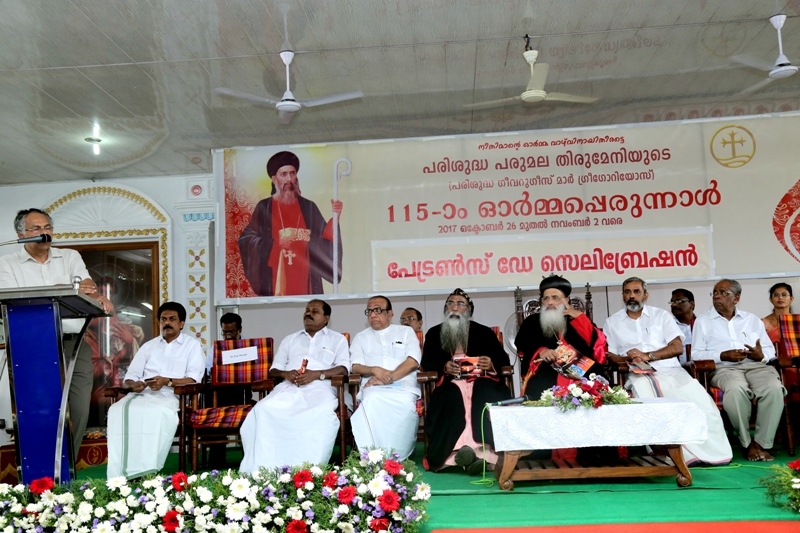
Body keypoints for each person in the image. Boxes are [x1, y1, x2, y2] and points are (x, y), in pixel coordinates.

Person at [0, 208, 114, 461]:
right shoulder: (7, 263)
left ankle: (66, 467)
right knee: (41, 409)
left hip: (74, 343)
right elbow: (12, 301)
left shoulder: (69, 256)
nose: (44, 233)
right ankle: (40, 465)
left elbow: (86, 286)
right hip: (33, 344)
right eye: (36, 228)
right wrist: (57, 290)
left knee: (79, 408)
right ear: (21, 234)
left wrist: (95, 293)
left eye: (48, 227)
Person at [604, 277, 732, 465]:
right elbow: (610, 355)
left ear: (645, 295)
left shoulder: (661, 316)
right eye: (627, 292)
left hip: (671, 369)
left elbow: (677, 347)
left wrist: (649, 355)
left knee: (701, 402)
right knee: (650, 399)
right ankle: (669, 452)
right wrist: (631, 358)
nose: (632, 296)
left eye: (636, 291)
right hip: (637, 373)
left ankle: (713, 453)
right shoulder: (612, 322)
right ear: (623, 295)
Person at [239, 299, 349, 472]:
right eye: (307, 310)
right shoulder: (290, 339)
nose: (308, 314)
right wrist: (286, 374)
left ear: (326, 318)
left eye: (315, 311)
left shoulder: (338, 339)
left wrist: (316, 374)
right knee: (262, 409)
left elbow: (343, 369)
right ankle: (264, 468)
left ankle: (307, 469)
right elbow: (274, 370)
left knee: (319, 414)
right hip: (289, 387)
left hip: (320, 387)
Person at [106, 302, 205, 478]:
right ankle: (120, 470)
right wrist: (133, 385)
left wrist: (168, 382)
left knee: (155, 412)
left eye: (172, 319)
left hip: (172, 396)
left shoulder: (192, 346)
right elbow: (130, 377)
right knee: (116, 410)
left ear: (182, 323)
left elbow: (194, 379)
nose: (167, 323)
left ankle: (146, 469)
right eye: (163, 319)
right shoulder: (148, 346)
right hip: (142, 394)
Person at [693, 279, 784, 461]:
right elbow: (696, 354)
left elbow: (769, 351)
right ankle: (746, 443)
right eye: (715, 292)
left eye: (723, 293)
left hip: (756, 366)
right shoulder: (703, 321)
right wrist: (722, 355)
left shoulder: (751, 320)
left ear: (736, 298)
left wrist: (760, 355)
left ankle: (762, 444)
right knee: (736, 390)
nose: (717, 296)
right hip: (724, 368)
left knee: (774, 389)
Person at [421, 289, 511, 474]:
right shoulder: (434, 333)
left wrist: (490, 363)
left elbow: (503, 360)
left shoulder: (484, 332)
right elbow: (427, 362)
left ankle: (483, 455)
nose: (454, 307)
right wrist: (444, 366)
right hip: (450, 382)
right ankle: (457, 456)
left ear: (469, 310)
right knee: (452, 397)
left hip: (482, 380)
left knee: (484, 395)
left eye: (460, 304)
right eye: (450, 303)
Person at [238, 151, 343, 296]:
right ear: (274, 179)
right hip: (277, 279)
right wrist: (276, 243)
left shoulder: (309, 207)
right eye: (284, 174)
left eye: (292, 173)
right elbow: (247, 240)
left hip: (306, 279)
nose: (289, 179)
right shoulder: (264, 207)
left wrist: (335, 217)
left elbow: (325, 240)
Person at [350, 296, 421, 460]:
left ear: (390, 314)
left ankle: (398, 457)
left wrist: (387, 378)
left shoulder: (406, 332)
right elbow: (355, 366)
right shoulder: (360, 337)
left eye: (378, 310)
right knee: (371, 401)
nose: (372, 315)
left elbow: (413, 361)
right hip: (372, 387)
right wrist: (374, 369)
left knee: (405, 404)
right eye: (369, 311)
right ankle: (372, 456)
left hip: (404, 386)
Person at [516, 275, 607, 400]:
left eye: (555, 298)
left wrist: (581, 318)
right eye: (546, 298)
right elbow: (522, 342)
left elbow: (597, 345)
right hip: (546, 370)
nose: (550, 302)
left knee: (593, 386)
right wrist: (541, 351)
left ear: (566, 300)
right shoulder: (532, 322)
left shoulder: (576, 319)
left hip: (581, 372)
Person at [207, 312, 248, 468]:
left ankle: (248, 460)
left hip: (242, 394)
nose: (228, 336)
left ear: (240, 330)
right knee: (213, 406)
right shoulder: (216, 348)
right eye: (225, 332)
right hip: (221, 394)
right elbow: (208, 371)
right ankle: (216, 462)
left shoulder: (249, 346)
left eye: (232, 332)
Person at [762, 282, 793, 355]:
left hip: (796, 360)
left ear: (791, 299)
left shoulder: (797, 321)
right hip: (772, 360)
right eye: (776, 295)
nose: (780, 298)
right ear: (771, 299)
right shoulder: (763, 323)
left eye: (784, 295)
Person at [670, 288, 696, 364]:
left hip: (702, 367)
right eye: (672, 302)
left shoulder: (701, 323)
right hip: (675, 368)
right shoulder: (668, 325)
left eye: (679, 301)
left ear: (691, 304)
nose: (674, 304)